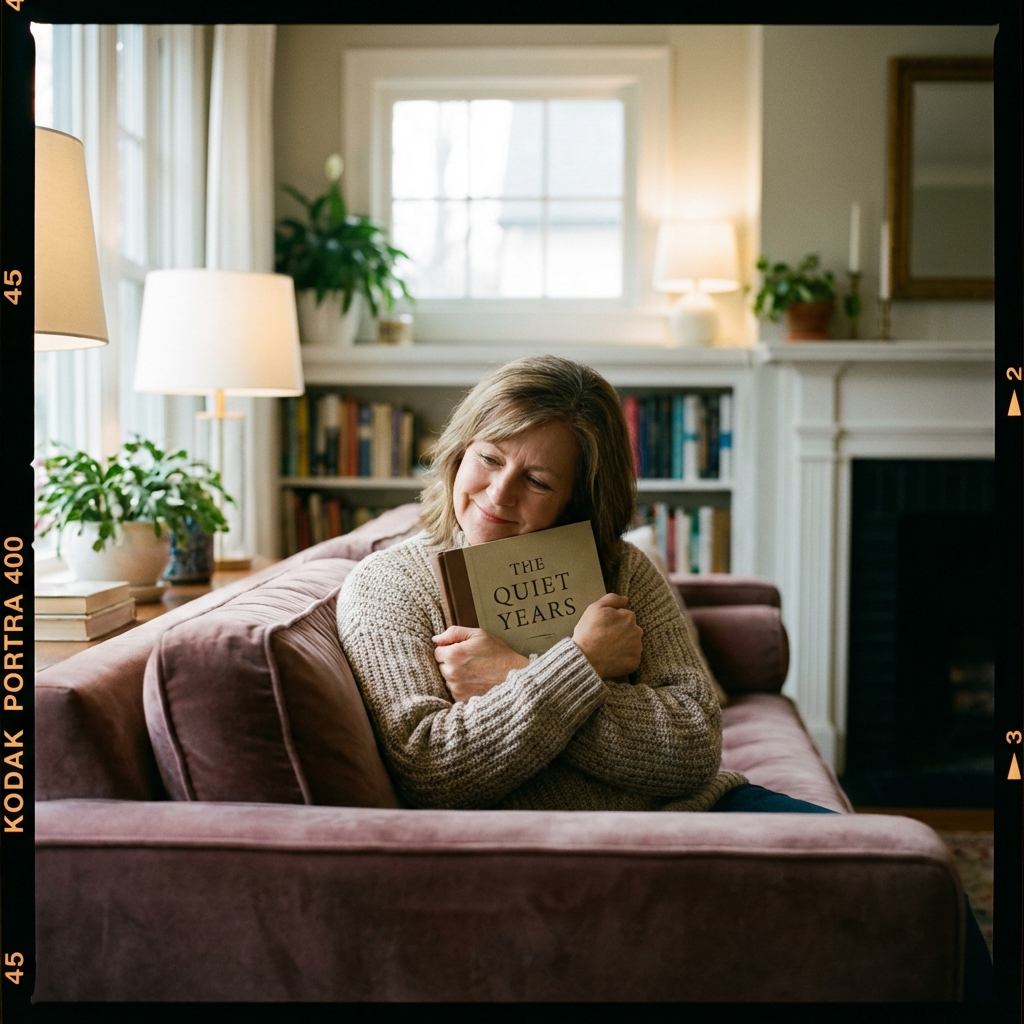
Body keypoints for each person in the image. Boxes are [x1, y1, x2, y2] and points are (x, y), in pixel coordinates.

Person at [337, 353, 817, 814]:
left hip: (706, 810)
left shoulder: (621, 568)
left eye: (539, 482)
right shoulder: (388, 585)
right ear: (460, 452)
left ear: (575, 499)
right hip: (571, 845)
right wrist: (583, 662)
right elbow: (433, 768)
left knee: (879, 865)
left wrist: (509, 673)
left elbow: (693, 749)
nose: (499, 494)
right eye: (489, 458)